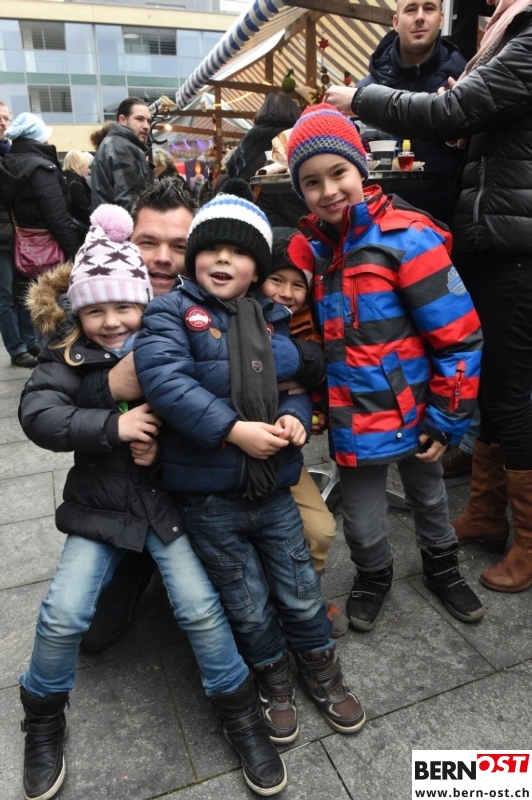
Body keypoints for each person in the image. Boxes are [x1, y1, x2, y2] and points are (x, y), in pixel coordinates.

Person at [18, 203, 286, 800]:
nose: (112, 322)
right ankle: (42, 715)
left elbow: (207, 398)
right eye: (95, 310)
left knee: (199, 608)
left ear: (144, 302)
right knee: (65, 614)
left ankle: (239, 707)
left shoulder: (174, 333)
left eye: (123, 307)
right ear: (77, 311)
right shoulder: (70, 354)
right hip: (103, 505)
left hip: (168, 509)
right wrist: (111, 422)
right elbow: (38, 414)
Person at [134, 180, 366, 745]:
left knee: (299, 587)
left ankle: (319, 663)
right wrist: (233, 430)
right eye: (212, 249)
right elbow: (166, 382)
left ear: (256, 268)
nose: (223, 260)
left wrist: (293, 417)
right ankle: (272, 672)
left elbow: (290, 387)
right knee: (246, 599)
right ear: (194, 256)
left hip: (273, 488)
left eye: (238, 253)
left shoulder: (270, 318)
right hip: (209, 496)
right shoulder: (170, 312)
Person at [323, 0, 532, 593]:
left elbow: (452, 110)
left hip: (516, 241)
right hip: (495, 232)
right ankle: (486, 511)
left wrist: (358, 97)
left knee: (513, 394)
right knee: (496, 384)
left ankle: (527, 542)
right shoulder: (505, 36)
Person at [285, 104, 485, 631]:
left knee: (430, 498)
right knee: (362, 520)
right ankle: (374, 573)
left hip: (415, 411)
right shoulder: (309, 253)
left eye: (338, 172)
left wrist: (447, 416)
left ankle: (443, 566)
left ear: (361, 168)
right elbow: (305, 336)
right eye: (311, 181)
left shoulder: (408, 240)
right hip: (352, 417)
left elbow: (458, 336)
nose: (328, 190)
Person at [77, 178, 198, 654]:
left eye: (179, 246)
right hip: (126, 495)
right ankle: (141, 562)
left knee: (216, 610)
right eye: (148, 242)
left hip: (202, 488)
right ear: (126, 238)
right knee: (93, 634)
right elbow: (50, 397)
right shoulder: (93, 303)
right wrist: (107, 387)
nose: (163, 258)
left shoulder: (214, 301)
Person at [257, 226, 348, 636]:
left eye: (298, 284)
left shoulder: (310, 324)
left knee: (321, 529)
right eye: (276, 279)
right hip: (230, 452)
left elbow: (321, 367)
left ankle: (304, 592)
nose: (287, 293)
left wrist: (308, 388)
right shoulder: (243, 313)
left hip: (282, 453)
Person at [356, 0, 466, 224]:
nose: (420, 16)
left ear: (441, 19)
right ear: (396, 22)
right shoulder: (365, 92)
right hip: (378, 229)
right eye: (411, 9)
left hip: (446, 227)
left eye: (429, 8)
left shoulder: (463, 84)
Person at [0, 112, 80, 338]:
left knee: (34, 306)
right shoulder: (41, 168)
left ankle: (34, 347)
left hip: (22, 246)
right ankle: (52, 352)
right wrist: (76, 252)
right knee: (55, 308)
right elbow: (57, 217)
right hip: (50, 250)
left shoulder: (8, 165)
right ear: (38, 137)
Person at [227, 92, 309, 227]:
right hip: (301, 222)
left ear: (263, 112)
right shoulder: (302, 139)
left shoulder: (247, 144)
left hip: (257, 223)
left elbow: (232, 175)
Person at [0, 102, 39, 368]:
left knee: (24, 291)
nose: (3, 122)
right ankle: (17, 348)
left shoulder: (12, 154)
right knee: (5, 296)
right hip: (2, 240)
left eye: (6, 117)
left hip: (18, 236)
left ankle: (30, 341)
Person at [90, 96, 154, 212]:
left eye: (148, 121)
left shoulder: (118, 144)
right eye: (139, 119)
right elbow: (130, 202)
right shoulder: (121, 147)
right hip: (123, 222)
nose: (146, 126)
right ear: (122, 120)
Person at [62, 149, 92, 235]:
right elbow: (85, 211)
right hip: (79, 229)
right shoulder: (76, 185)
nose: (88, 170)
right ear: (79, 166)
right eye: (86, 166)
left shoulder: (64, 179)